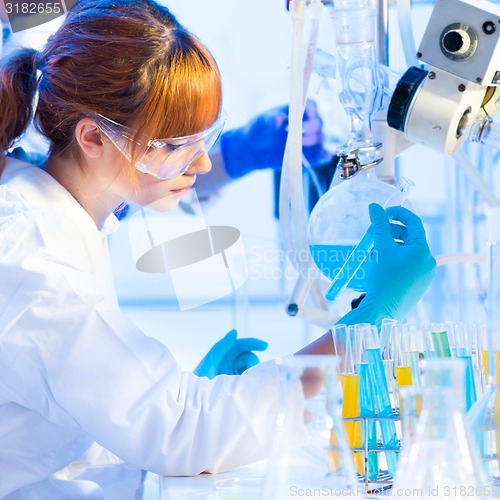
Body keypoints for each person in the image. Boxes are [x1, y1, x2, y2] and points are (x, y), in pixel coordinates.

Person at [0, 0, 436, 497]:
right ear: (94, 137)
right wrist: (369, 322)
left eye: (208, 137)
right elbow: (185, 432)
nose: (203, 164)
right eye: (177, 144)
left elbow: (71, 410)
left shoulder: (50, 203)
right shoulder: (32, 260)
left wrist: (157, 397)